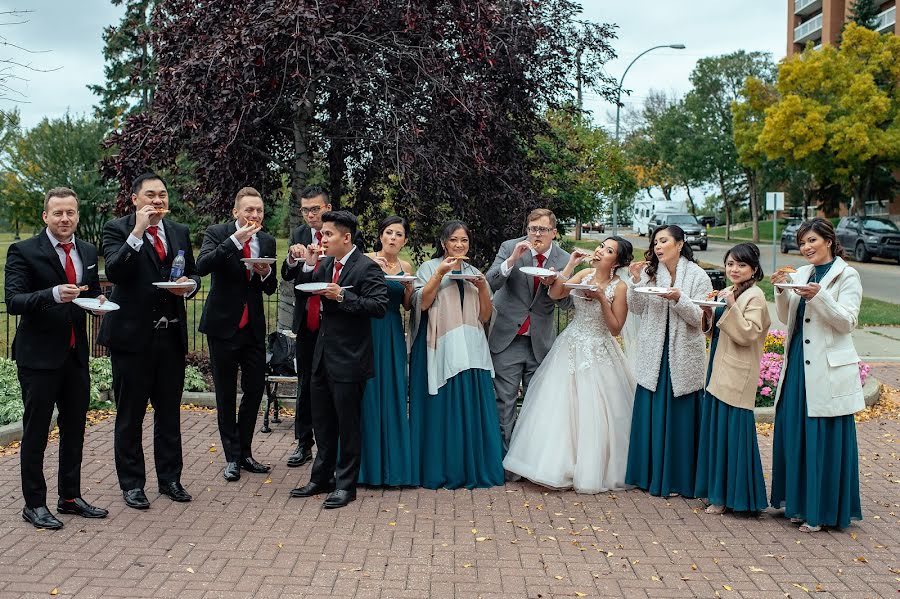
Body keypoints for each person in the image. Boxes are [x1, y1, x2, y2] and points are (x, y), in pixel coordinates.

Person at [5, 187, 109, 529]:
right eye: (58, 213)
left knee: (75, 429)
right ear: (45, 216)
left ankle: (69, 497)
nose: (65, 219)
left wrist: (99, 306)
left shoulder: (88, 251)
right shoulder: (23, 251)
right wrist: (52, 294)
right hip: (38, 358)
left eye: (71, 213)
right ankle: (34, 504)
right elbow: (15, 301)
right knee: (36, 432)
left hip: (75, 355)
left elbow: (91, 294)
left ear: (77, 216)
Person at [98, 172, 201, 509]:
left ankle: (170, 479)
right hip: (131, 338)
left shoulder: (179, 232)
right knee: (131, 414)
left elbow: (195, 273)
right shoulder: (117, 229)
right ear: (135, 199)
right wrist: (138, 232)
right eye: (151, 195)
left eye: (163, 195)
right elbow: (115, 271)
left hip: (170, 336)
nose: (158, 201)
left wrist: (190, 285)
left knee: (169, 413)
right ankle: (132, 483)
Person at [503, 237, 636, 493]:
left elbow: (616, 328)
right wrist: (571, 265)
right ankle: (551, 464)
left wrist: (600, 299)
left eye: (609, 251)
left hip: (599, 347)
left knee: (598, 409)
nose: (600, 251)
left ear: (617, 261)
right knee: (559, 404)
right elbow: (555, 293)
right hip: (571, 344)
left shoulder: (619, 288)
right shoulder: (585, 272)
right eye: (601, 246)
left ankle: (593, 468)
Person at [288, 211, 388, 508]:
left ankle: (346, 486)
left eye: (327, 234)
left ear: (346, 237)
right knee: (322, 424)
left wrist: (343, 297)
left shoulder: (367, 268)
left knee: (348, 425)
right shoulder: (327, 263)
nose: (322, 239)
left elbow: (379, 306)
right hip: (321, 358)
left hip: (350, 359)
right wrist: (308, 262)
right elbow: (304, 285)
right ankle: (320, 479)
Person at [770, 218, 864, 532]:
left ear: (828, 240)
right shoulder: (801, 273)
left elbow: (847, 322)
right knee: (796, 431)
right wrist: (781, 291)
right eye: (803, 243)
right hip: (797, 362)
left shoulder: (847, 275)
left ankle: (821, 511)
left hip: (827, 366)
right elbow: (786, 318)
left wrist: (818, 296)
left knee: (821, 436)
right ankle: (796, 505)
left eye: (812, 241)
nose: (806, 248)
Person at [408, 221, 504, 489]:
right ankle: (440, 468)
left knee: (471, 413)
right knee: (442, 413)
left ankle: (473, 467)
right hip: (440, 347)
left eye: (464, 240)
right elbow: (422, 304)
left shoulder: (474, 272)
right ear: (443, 243)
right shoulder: (429, 268)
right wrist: (439, 274)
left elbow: (485, 316)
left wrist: (483, 286)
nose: (460, 245)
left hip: (472, 350)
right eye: (454, 240)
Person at [282, 185, 367, 469]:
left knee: (337, 390)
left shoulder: (344, 235)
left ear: (327, 208)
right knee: (307, 384)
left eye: (315, 209)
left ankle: (336, 448)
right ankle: (303, 443)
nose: (309, 215)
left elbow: (356, 274)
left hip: (336, 325)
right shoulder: (299, 236)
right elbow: (289, 275)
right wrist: (297, 260)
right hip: (308, 322)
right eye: (305, 210)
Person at [196, 187, 278, 482]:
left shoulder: (266, 241)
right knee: (226, 393)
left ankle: (245, 451)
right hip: (222, 327)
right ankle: (231, 457)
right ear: (236, 212)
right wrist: (234, 241)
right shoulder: (218, 233)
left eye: (259, 211)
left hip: (253, 328)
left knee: (255, 390)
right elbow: (202, 266)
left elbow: (271, 287)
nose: (254, 216)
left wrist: (264, 273)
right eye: (249, 210)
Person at [624, 224, 712, 498]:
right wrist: (635, 281)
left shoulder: (698, 276)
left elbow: (700, 320)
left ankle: (679, 479)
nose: (658, 247)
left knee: (680, 418)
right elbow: (636, 309)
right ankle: (647, 476)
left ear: (680, 243)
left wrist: (678, 299)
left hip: (683, 354)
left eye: (664, 241)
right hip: (654, 353)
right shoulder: (651, 274)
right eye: (655, 242)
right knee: (651, 412)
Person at [485, 209, 571, 464]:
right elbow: (491, 281)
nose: (536, 234)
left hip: (540, 343)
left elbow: (567, 305)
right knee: (505, 403)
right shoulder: (511, 247)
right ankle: (506, 462)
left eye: (542, 229)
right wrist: (511, 260)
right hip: (507, 339)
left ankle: (531, 461)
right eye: (532, 228)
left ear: (553, 233)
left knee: (538, 405)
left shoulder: (564, 258)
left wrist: (555, 286)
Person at [694, 243, 770, 515]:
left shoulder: (755, 296)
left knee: (733, 436)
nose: (734, 270)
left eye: (741, 265)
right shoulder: (732, 292)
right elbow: (715, 332)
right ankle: (717, 493)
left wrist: (730, 305)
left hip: (737, 373)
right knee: (717, 434)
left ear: (754, 269)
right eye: (730, 264)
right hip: (718, 369)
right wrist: (707, 312)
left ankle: (734, 498)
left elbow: (748, 334)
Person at [358, 216, 415, 486]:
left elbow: (406, 305)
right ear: (380, 236)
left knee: (392, 391)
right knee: (368, 392)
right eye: (389, 232)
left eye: (399, 234)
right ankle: (365, 468)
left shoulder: (406, 266)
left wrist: (409, 288)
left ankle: (393, 468)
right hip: (367, 329)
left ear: (404, 240)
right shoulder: (365, 258)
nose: (393, 237)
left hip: (392, 330)